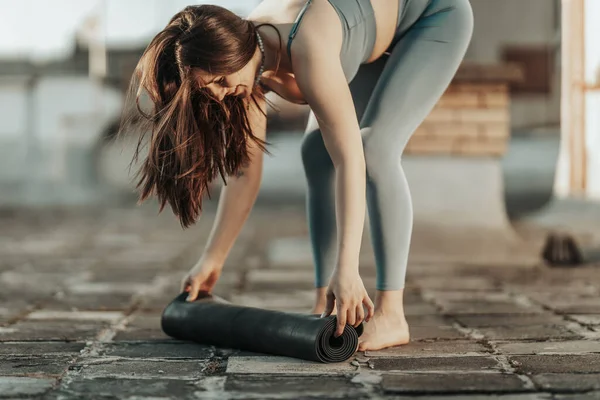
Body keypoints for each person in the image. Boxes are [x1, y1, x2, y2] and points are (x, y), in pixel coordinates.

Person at [121, 0, 473, 351]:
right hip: (371, 43)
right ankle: (325, 302)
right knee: (315, 154)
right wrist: (212, 261)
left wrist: (347, 269)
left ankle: (392, 313)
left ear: (229, 55)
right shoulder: (244, 70)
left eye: (218, 81)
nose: (218, 94)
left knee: (373, 150)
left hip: (433, 17)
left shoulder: (306, 44)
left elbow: (351, 160)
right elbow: (245, 173)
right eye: (206, 89)